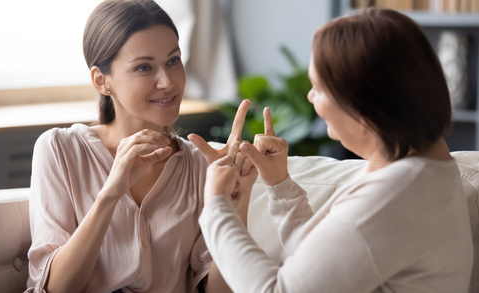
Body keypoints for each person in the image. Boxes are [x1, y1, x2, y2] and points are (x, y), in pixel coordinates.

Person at [198, 8, 474, 293]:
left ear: (364, 107)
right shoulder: (419, 162)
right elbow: (323, 268)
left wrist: (216, 206)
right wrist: (279, 184)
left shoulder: (397, 194)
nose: (309, 97)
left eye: (318, 88)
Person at [25, 0, 251, 292]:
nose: (167, 82)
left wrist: (233, 206)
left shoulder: (199, 164)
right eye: (144, 67)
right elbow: (55, 288)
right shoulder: (60, 149)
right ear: (101, 80)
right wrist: (111, 193)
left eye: (173, 60)